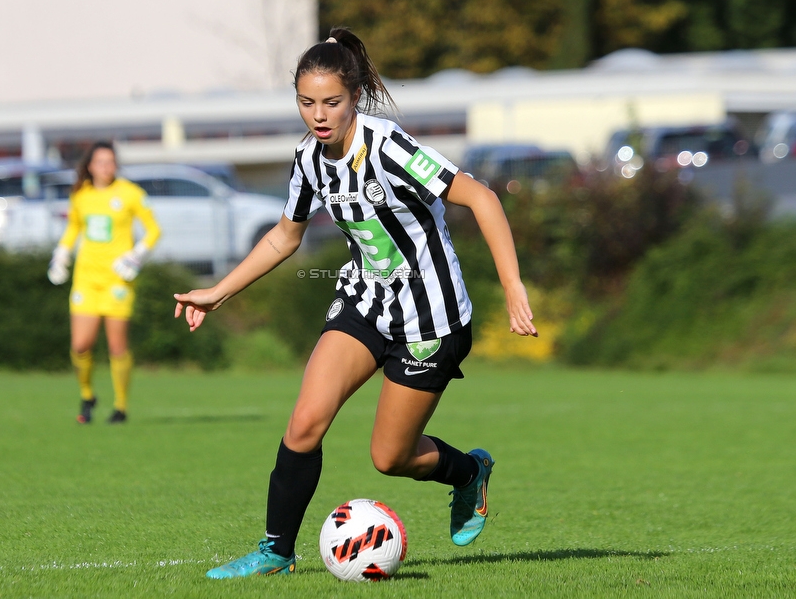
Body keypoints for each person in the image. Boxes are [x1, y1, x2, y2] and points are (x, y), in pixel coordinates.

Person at [173, 28, 537, 578]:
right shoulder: (307, 159)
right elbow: (284, 236)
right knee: (304, 424)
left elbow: (480, 197)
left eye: (331, 102)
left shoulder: (388, 146)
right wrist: (218, 291)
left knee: (390, 458)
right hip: (363, 304)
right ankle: (276, 551)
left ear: (356, 96)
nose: (318, 115)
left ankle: (467, 473)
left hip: (429, 319)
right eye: (306, 102)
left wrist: (513, 287)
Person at [48, 141, 161, 424]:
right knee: (80, 345)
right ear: (89, 166)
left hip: (117, 281)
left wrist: (136, 256)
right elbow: (74, 226)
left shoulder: (131, 194)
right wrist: (61, 255)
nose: (106, 167)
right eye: (100, 162)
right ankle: (87, 395)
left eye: (110, 162)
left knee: (117, 348)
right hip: (86, 279)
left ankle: (120, 406)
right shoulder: (81, 195)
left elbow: (154, 231)